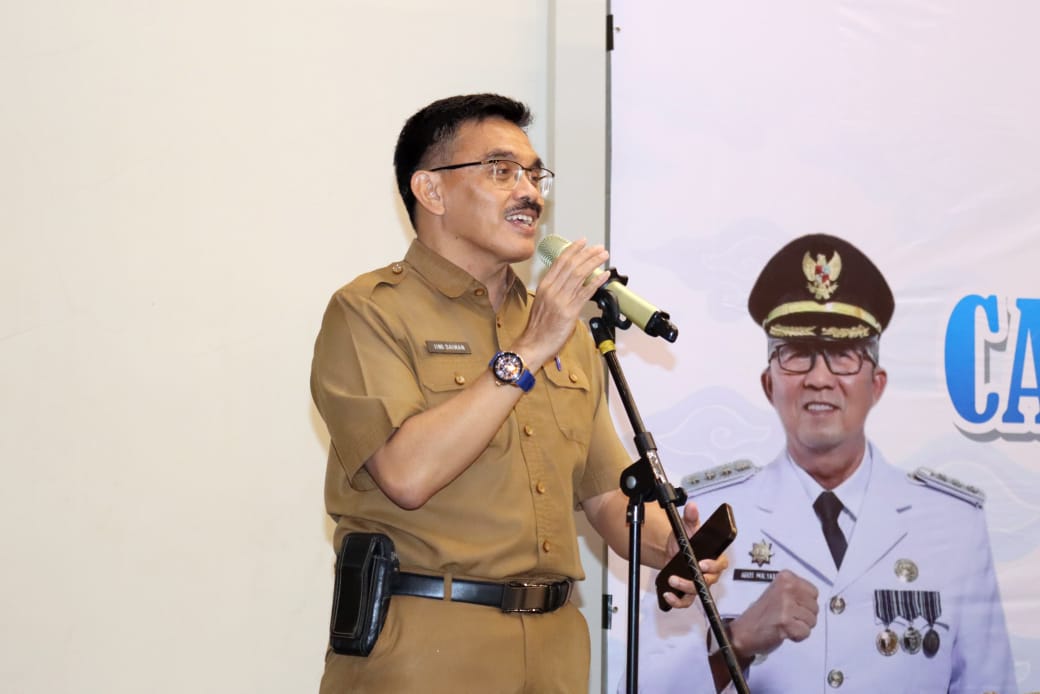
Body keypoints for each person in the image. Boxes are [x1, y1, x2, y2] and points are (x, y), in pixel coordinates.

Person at [310, 93, 724, 693]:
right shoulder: (370, 312)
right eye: (502, 171)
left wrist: (676, 547)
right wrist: (528, 351)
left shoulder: (562, 331)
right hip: (427, 648)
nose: (530, 192)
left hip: (556, 651)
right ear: (431, 190)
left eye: (535, 174)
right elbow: (406, 473)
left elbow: (607, 495)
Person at [633, 234, 1016, 693]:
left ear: (877, 383)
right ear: (769, 384)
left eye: (843, 355)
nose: (819, 378)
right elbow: (645, 689)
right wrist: (738, 641)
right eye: (796, 355)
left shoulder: (953, 524)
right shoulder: (704, 519)